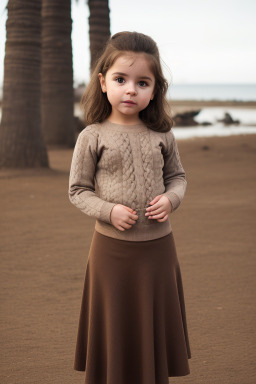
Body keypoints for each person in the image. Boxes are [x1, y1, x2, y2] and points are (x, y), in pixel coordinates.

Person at [69, 31, 191, 384]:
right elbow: (78, 190)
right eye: (121, 80)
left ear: (155, 90)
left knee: (151, 328)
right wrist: (109, 211)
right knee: (117, 328)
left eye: (142, 82)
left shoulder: (162, 134)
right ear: (103, 82)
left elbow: (178, 178)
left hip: (158, 251)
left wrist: (171, 199)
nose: (131, 89)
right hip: (111, 252)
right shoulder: (91, 136)